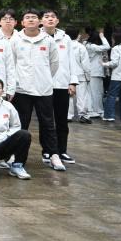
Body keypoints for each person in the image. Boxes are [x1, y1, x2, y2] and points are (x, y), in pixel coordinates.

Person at [9, 8, 63, 171]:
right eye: (27, 17)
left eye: (34, 17)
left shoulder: (48, 40)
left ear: (39, 21)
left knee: (48, 124)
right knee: (21, 124)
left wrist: (44, 77)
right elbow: (11, 64)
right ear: (22, 22)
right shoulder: (15, 40)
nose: (31, 20)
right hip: (22, 89)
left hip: (43, 89)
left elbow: (54, 64)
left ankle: (53, 154)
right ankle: (15, 154)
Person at [41, 9, 81, 164]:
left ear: (57, 21)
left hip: (62, 85)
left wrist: (72, 81)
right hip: (44, 85)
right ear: (41, 21)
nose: (50, 19)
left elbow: (71, 61)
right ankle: (47, 151)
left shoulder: (65, 38)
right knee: (46, 121)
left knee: (62, 120)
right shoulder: (38, 36)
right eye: (46, 17)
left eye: (53, 17)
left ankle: (62, 151)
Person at [102, 32, 121, 122]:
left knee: (112, 95)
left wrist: (103, 64)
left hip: (117, 76)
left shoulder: (115, 49)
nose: (112, 40)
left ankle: (109, 115)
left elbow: (114, 63)